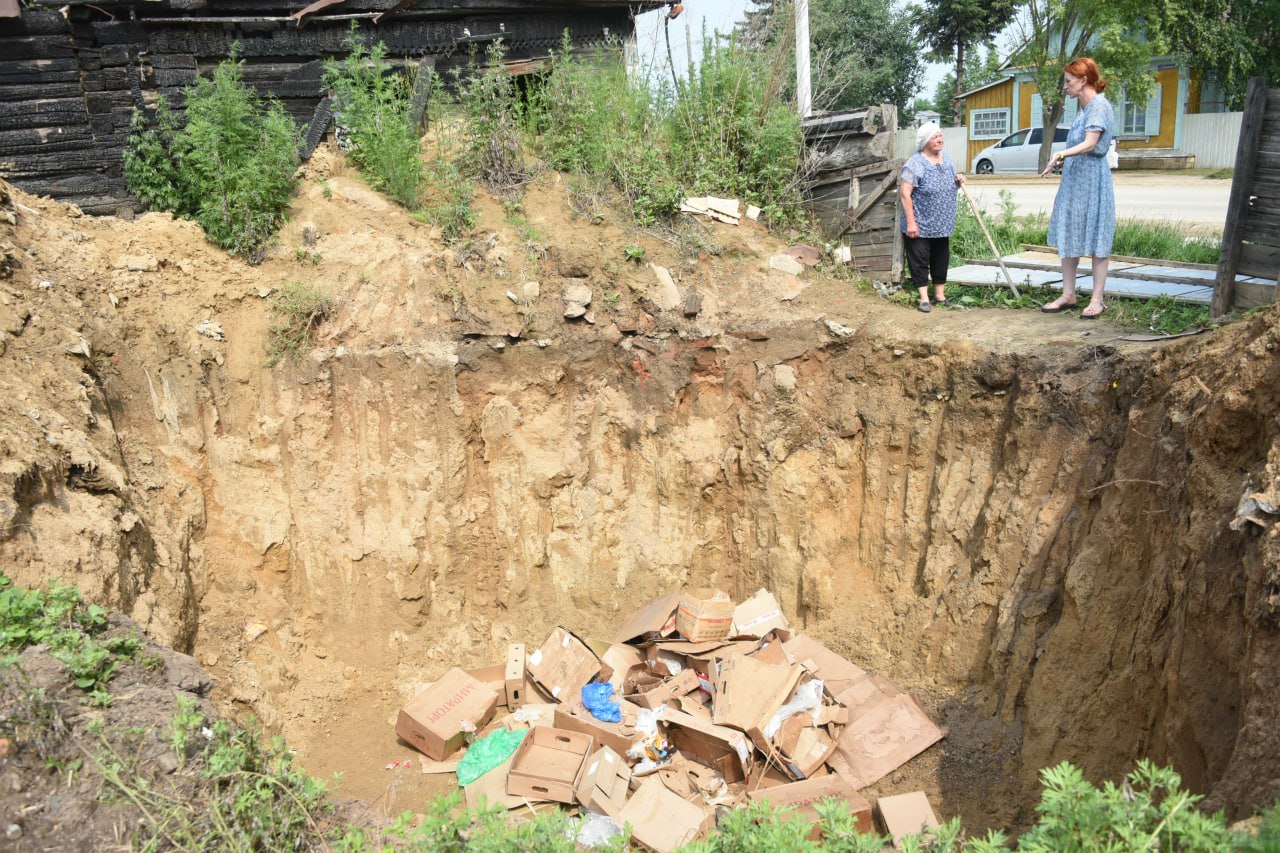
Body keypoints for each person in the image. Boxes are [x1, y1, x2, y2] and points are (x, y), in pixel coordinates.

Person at [1040, 57, 1116, 319]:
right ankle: (1068, 294)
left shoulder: (1098, 106)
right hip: (1074, 181)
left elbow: (1091, 143)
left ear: (1084, 80)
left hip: (1092, 179)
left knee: (1097, 235)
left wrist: (1061, 155)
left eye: (1068, 81)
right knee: (1069, 231)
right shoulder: (1082, 110)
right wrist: (1064, 159)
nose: (1065, 86)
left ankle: (1097, 300)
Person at [899, 122, 966, 313]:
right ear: (925, 141)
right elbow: (905, 193)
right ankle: (923, 298)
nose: (940, 140)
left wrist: (959, 178)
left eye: (940, 136)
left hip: (942, 223)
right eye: (935, 137)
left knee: (941, 258)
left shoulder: (947, 160)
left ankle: (940, 296)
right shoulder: (915, 164)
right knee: (919, 259)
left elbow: (949, 182)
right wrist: (911, 222)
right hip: (920, 223)